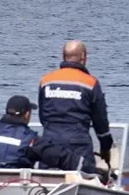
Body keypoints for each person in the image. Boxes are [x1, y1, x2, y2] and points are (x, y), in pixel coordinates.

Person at [35, 40, 112, 173]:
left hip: (49, 144)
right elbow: (100, 122)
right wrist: (105, 147)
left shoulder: (46, 80)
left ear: (63, 55)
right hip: (78, 145)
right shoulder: (90, 83)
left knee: (48, 180)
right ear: (83, 56)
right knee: (84, 178)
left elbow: (43, 116)